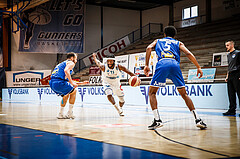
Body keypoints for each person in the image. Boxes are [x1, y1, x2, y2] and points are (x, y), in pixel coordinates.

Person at [144, 26, 207, 130]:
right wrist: (198, 67)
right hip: (174, 64)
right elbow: (188, 53)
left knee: (152, 93)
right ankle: (198, 119)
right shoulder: (178, 43)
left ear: (164, 34)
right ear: (174, 35)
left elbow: (148, 48)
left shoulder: (158, 41)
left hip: (162, 63)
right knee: (184, 94)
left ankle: (157, 120)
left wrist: (146, 65)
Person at [49, 52, 78, 119]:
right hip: (59, 82)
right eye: (76, 58)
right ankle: (70, 113)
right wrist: (72, 82)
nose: (76, 60)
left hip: (53, 83)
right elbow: (66, 71)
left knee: (66, 94)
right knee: (74, 91)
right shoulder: (71, 63)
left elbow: (66, 79)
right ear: (72, 58)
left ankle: (60, 114)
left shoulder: (61, 64)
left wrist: (80, 83)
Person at [223, 40, 240, 116]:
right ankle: (232, 110)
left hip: (237, 74)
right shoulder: (228, 55)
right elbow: (229, 66)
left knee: (239, 93)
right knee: (231, 94)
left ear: (232, 45)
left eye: (227, 45)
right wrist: (227, 76)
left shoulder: (238, 53)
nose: (226, 47)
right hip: (230, 75)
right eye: (226, 45)